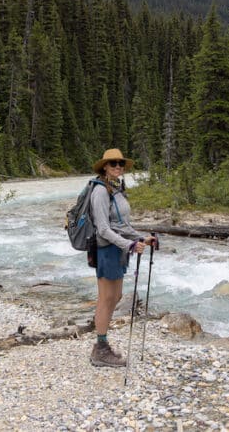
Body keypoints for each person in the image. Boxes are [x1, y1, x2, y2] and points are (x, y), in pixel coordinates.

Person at [89, 148, 157, 367]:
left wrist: (141, 238)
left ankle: (101, 344)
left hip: (117, 249)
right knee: (106, 298)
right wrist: (129, 244)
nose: (118, 166)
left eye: (120, 163)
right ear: (104, 167)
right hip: (106, 250)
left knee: (116, 297)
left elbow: (121, 225)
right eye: (113, 163)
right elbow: (103, 229)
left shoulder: (116, 189)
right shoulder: (100, 192)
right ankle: (100, 349)